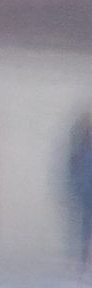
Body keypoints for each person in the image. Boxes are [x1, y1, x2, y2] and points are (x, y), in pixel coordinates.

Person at [63, 111, 92, 278]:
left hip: (84, 193)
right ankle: (82, 262)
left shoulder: (79, 152)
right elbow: (73, 173)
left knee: (85, 228)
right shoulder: (79, 151)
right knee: (84, 228)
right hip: (85, 194)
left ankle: (83, 262)